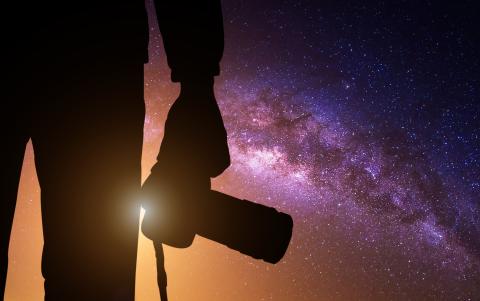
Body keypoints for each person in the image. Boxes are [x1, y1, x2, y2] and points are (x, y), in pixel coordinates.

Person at [0, 1, 225, 300]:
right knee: (94, 273)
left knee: (94, 274)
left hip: (99, 52)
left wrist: (197, 81)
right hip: (99, 50)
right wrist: (197, 81)